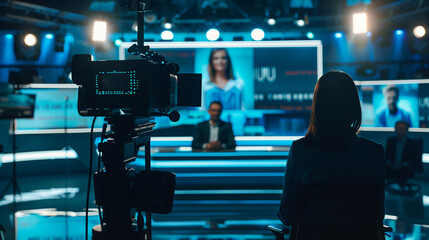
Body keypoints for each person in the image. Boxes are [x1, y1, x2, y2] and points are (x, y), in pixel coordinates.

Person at [278, 71, 385, 226]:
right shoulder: (373, 153)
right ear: (353, 106)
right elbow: (378, 215)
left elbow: (287, 216)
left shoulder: (300, 151)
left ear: (318, 107)